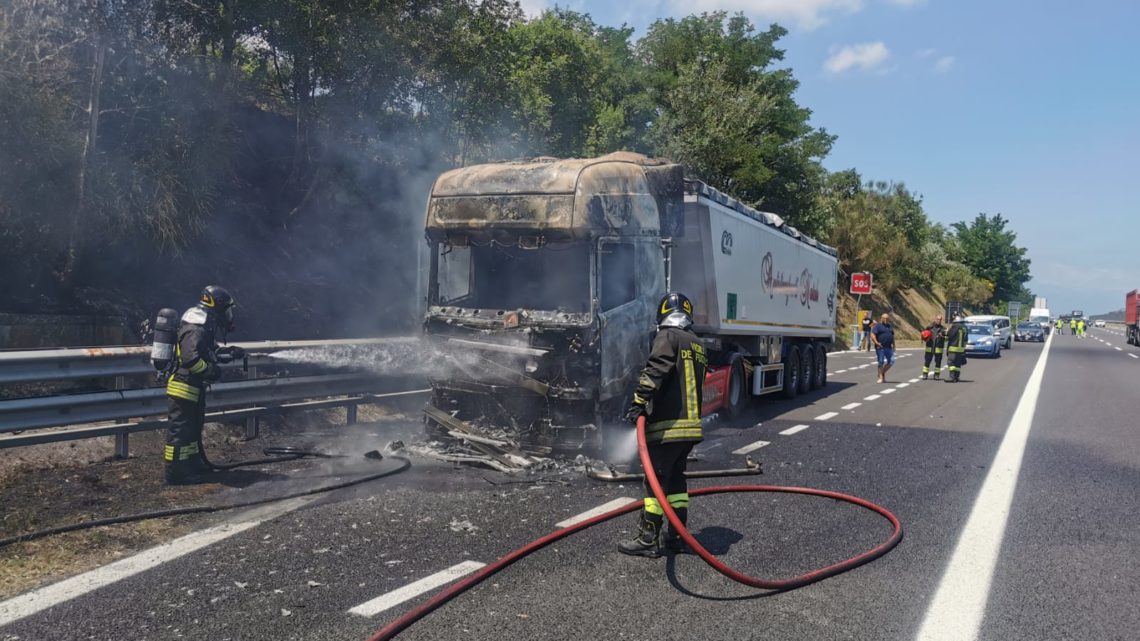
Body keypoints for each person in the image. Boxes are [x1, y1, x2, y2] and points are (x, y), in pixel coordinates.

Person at [620, 292, 707, 557]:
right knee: (677, 484)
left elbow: (655, 371)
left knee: (655, 483)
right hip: (691, 430)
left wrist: (637, 403)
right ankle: (677, 537)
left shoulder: (667, 337)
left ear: (663, 315)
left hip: (668, 428)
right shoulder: (697, 343)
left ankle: (648, 539)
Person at [164, 285, 242, 485]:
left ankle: (192, 464)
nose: (228, 315)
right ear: (216, 307)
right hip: (184, 386)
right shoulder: (196, 325)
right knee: (180, 433)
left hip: (192, 388)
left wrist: (228, 353)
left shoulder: (203, 324)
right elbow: (191, 359)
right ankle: (176, 474)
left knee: (192, 430)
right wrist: (211, 371)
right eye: (227, 310)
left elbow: (206, 350)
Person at [871, 313, 895, 383]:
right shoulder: (877, 326)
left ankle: (881, 373)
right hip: (880, 347)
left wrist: (894, 345)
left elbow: (892, 336)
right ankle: (881, 378)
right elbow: (873, 335)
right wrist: (876, 342)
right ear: (881, 318)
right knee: (881, 362)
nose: (885, 320)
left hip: (889, 347)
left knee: (891, 361)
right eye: (884, 318)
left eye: (887, 318)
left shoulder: (890, 326)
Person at [922, 314, 946, 380]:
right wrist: (925, 337)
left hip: (938, 349)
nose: (939, 321)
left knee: (938, 363)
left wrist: (943, 336)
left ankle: (936, 375)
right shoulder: (929, 327)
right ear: (935, 319)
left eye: (940, 319)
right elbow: (923, 334)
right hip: (929, 348)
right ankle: (925, 374)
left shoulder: (943, 329)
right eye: (938, 319)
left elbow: (946, 339)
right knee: (927, 362)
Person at [945, 315, 967, 382]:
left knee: (951, 362)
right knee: (958, 364)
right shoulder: (965, 328)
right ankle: (956, 377)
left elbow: (949, 335)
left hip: (953, 348)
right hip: (961, 350)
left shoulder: (955, 327)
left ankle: (951, 377)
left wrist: (947, 331)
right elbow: (966, 339)